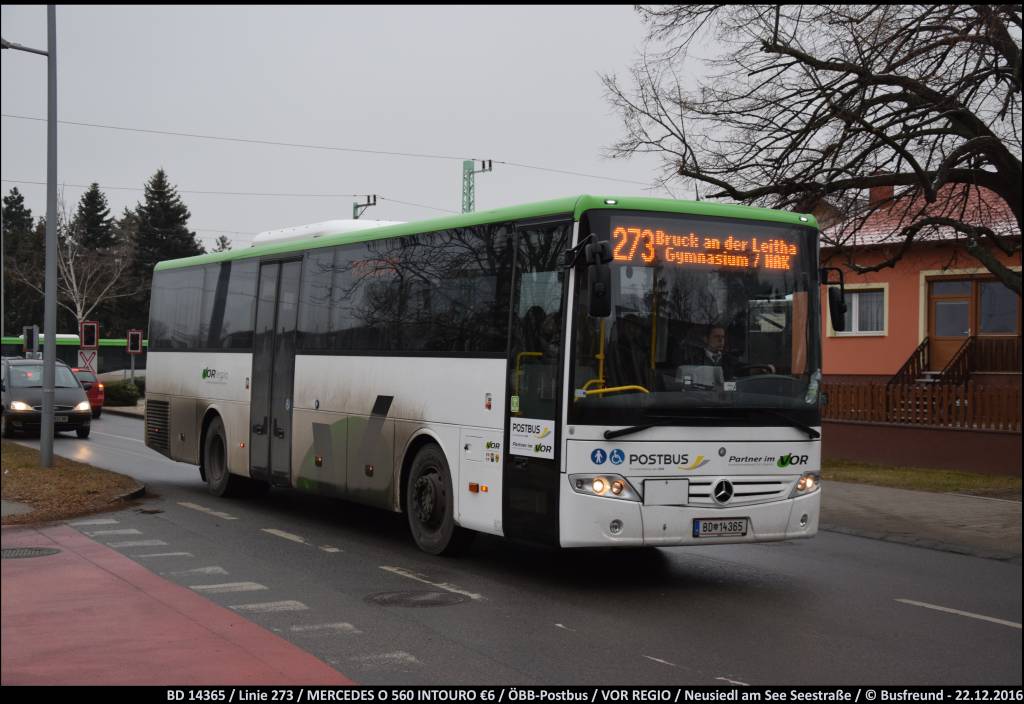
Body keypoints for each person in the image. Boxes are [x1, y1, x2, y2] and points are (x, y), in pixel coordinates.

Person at [674, 324, 741, 381]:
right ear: (706, 339)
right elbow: (686, 385)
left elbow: (738, 385)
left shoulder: (733, 362)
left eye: (722, 337)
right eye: (716, 337)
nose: (721, 340)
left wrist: (724, 387)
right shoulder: (692, 362)